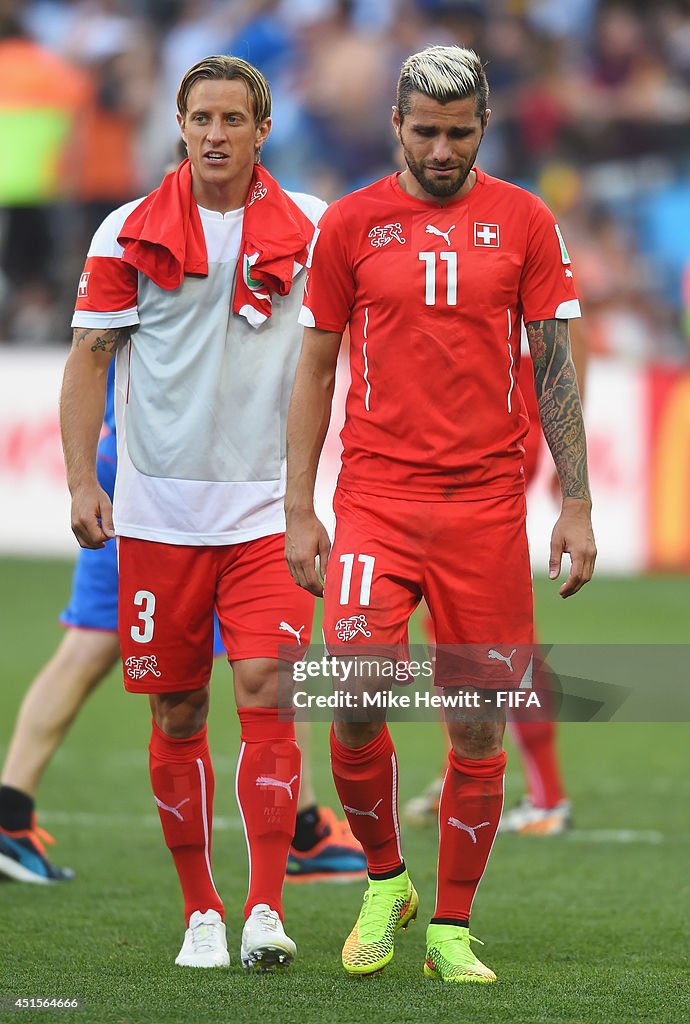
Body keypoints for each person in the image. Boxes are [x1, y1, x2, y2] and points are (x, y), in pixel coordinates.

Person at [285, 45, 596, 984]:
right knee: (354, 697)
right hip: (375, 501)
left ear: (484, 129)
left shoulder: (527, 220)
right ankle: (386, 880)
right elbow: (314, 369)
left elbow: (554, 368)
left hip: (487, 511)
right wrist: (298, 506)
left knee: (476, 727)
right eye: (425, 131)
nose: (442, 149)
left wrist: (575, 502)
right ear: (396, 126)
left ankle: (451, 929)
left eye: (459, 133)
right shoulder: (346, 225)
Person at [59, 54, 329, 973]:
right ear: (180, 125)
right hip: (158, 517)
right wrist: (80, 483)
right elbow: (88, 363)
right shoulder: (126, 230)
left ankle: (263, 908)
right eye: (200, 117)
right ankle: (200, 912)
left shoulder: (317, 232)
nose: (215, 133)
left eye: (232, 119)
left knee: (266, 697)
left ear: (262, 130)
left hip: (266, 517)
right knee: (178, 711)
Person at [0, 364, 364, 887]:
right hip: (175, 484)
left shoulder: (131, 290)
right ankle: (302, 832)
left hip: (142, 465)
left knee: (99, 647)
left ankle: (10, 814)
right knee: (266, 655)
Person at [405, 318, 589, 835]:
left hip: (495, 426)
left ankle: (544, 793)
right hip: (476, 417)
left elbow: (575, 340)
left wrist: (566, 452)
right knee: (451, 622)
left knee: (490, 631)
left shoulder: (528, 237)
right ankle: (465, 767)